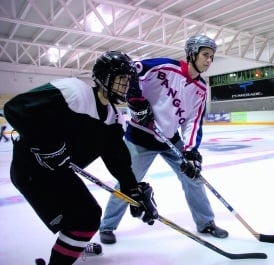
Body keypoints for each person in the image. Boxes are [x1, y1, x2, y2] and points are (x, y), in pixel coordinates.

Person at [4, 51, 158, 265]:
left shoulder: (114, 119)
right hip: (32, 171)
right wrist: (50, 147)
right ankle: (68, 249)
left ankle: (75, 244)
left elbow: (117, 160)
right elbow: (16, 109)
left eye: (128, 79)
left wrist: (133, 190)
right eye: (121, 78)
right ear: (104, 77)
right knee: (83, 219)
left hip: (58, 173)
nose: (126, 85)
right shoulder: (73, 91)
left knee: (87, 216)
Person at [99, 34, 229, 244]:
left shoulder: (201, 89)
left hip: (170, 139)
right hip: (140, 137)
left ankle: (205, 222)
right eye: (205, 55)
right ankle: (107, 226)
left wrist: (191, 151)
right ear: (192, 53)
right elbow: (131, 70)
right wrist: (137, 102)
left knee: (193, 177)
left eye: (212, 57)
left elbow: (193, 122)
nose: (209, 61)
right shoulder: (164, 66)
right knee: (127, 182)